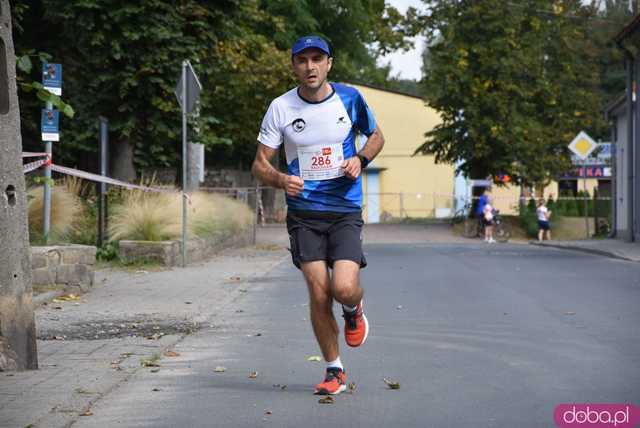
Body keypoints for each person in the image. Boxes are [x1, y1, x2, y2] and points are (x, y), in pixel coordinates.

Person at [251, 35, 385, 396]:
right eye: (302, 60)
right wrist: (280, 179)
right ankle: (334, 369)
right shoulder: (280, 107)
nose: (310, 66)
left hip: (343, 210)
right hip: (304, 214)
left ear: (329, 64)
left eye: (317, 59)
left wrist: (361, 159)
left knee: (342, 288)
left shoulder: (350, 98)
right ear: (294, 66)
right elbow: (259, 164)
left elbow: (376, 137)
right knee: (318, 290)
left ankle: (354, 308)